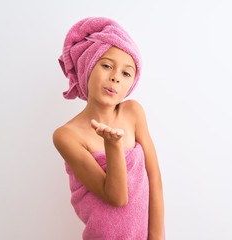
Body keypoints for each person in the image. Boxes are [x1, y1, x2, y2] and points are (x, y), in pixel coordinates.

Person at [52, 17, 165, 239]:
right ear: (88, 67)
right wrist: (112, 146)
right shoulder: (66, 136)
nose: (115, 78)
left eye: (126, 73)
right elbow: (117, 197)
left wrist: (157, 237)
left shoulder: (133, 112)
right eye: (106, 65)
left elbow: (154, 178)